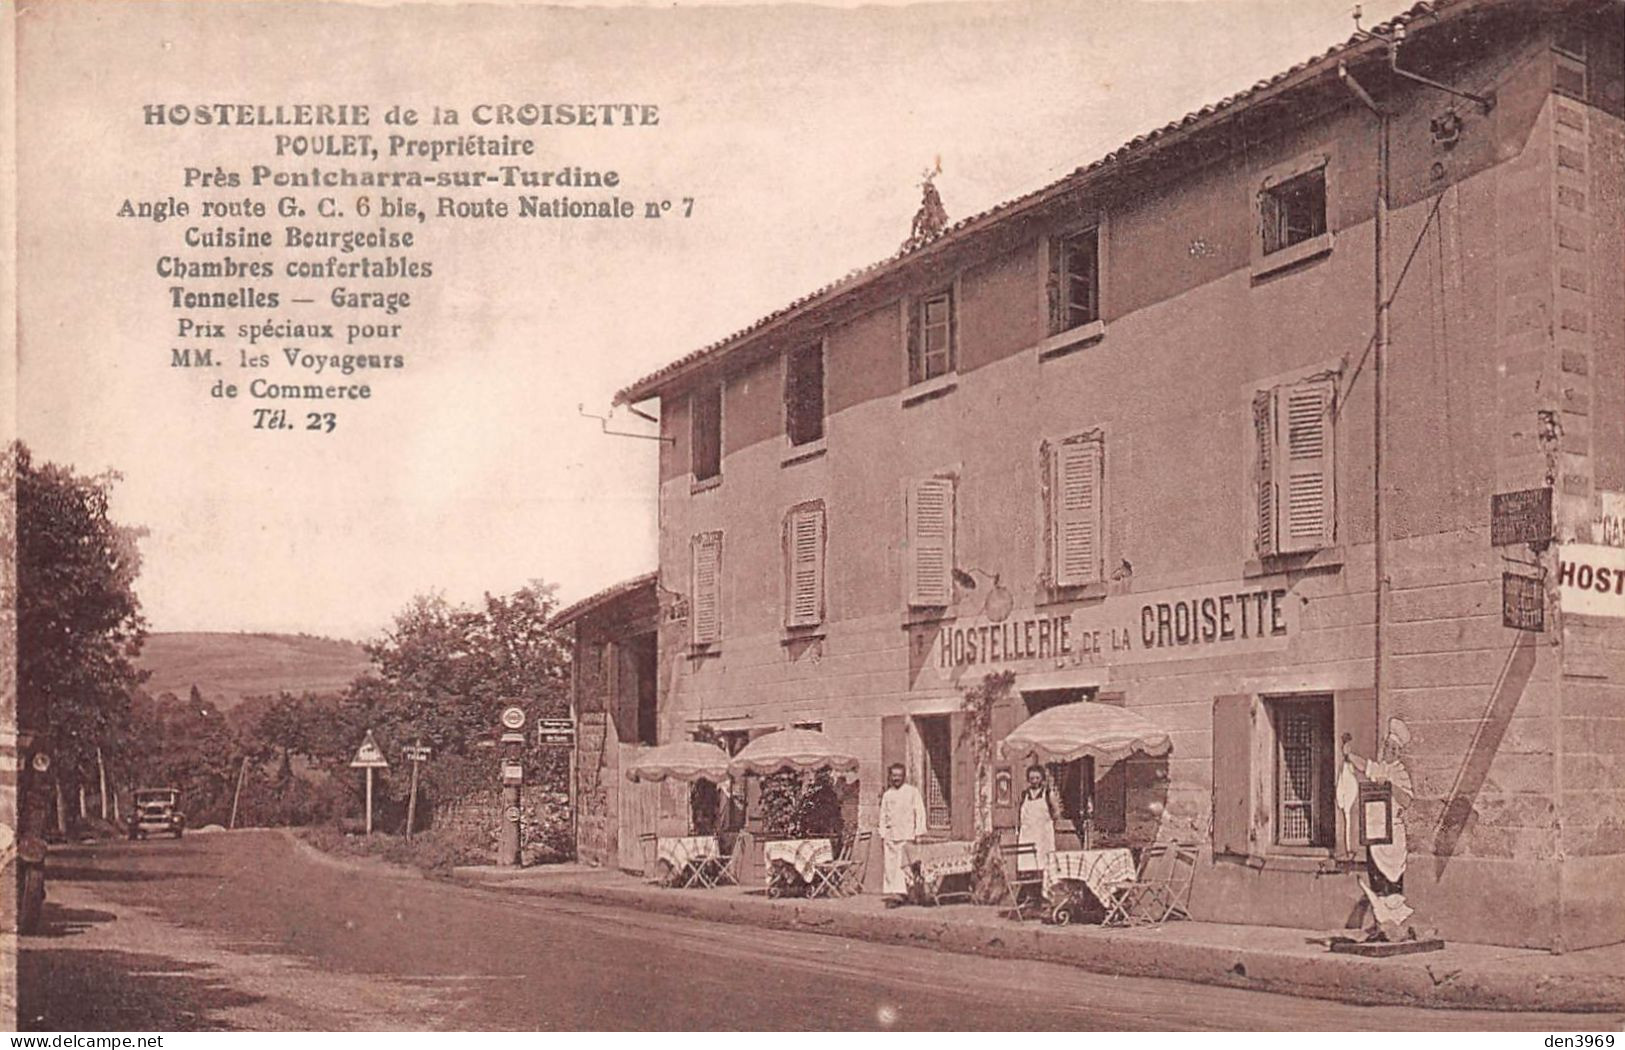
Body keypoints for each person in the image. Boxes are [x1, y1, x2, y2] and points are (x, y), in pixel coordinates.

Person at [1342, 717, 1434, 942]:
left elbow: (1407, 800)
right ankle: (1381, 924)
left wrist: (1391, 787)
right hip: (1376, 834)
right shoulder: (1381, 768)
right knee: (1377, 879)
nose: (1389, 751)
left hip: (1394, 835)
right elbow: (1365, 766)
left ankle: (1397, 926)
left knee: (1393, 881)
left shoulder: (1399, 772)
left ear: (1399, 752)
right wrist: (1348, 755)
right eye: (1387, 747)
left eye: (1394, 749)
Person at [877, 762, 926, 906]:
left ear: (904, 776)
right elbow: (883, 815)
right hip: (891, 836)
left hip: (906, 835)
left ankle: (904, 895)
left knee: (904, 867)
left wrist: (918, 833)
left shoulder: (912, 792)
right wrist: (883, 834)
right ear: (890, 777)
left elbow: (920, 812)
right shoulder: (887, 795)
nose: (896, 778)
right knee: (890, 867)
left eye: (899, 775)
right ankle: (893, 895)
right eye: (894, 775)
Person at [1017, 765, 1060, 889]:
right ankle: (1030, 893)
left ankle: (1045, 892)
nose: (1034, 781)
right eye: (1031, 778)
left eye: (1037, 778)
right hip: (1027, 835)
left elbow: (1056, 813)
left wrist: (1048, 825)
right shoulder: (1024, 795)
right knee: (1027, 864)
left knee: (1043, 865)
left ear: (1042, 779)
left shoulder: (1047, 794)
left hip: (1043, 836)